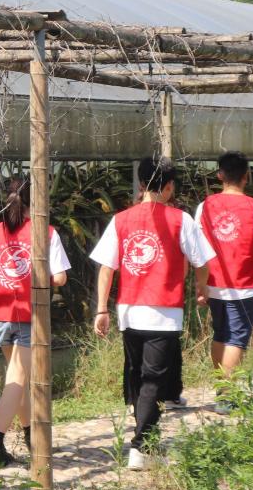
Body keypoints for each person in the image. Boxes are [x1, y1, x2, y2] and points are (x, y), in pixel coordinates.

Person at [90, 159, 214, 470]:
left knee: (138, 374)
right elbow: (202, 261)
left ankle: (147, 436)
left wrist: (102, 308)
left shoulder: (121, 220)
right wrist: (202, 289)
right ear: (170, 187)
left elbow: (107, 266)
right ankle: (140, 445)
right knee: (151, 380)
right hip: (164, 313)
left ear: (142, 184)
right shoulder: (181, 220)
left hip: (129, 312)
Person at [0, 177, 69, 467]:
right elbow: (60, 277)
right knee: (17, 378)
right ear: (37, 201)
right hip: (30, 314)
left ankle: (30, 436)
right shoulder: (45, 232)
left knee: (18, 380)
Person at [195, 153, 253, 412]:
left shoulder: (205, 206)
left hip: (214, 284)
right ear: (247, 176)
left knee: (221, 335)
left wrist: (200, 285)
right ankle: (226, 395)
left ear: (220, 175)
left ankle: (223, 389)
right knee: (237, 339)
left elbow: (198, 248)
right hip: (243, 287)